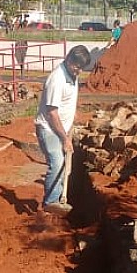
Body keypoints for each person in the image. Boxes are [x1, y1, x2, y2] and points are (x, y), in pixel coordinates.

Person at [34, 45, 92, 216]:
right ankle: (50, 203)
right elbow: (52, 113)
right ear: (69, 60)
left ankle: (57, 199)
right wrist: (65, 139)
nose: (79, 71)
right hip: (49, 129)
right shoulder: (56, 79)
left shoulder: (71, 74)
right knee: (57, 163)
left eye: (82, 68)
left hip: (61, 129)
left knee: (63, 165)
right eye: (77, 67)